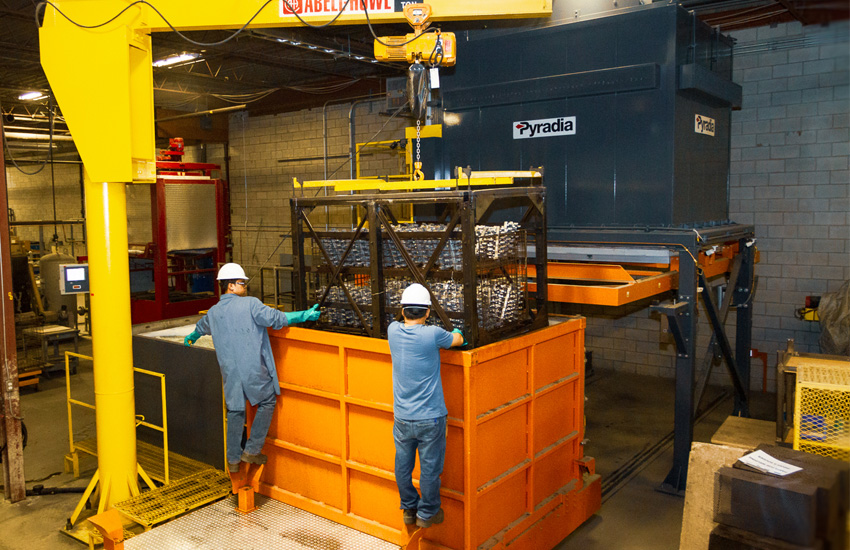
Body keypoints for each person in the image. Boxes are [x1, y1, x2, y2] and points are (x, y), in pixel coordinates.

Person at [184, 263, 321, 473]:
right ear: (230, 286)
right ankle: (252, 450)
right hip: (254, 371)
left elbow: (202, 327)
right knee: (267, 401)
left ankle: (233, 460)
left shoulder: (213, 312)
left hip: (230, 374)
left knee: (235, 411)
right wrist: (304, 315)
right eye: (241, 283)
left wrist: (193, 336)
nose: (245, 286)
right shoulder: (250, 305)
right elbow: (277, 319)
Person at [387, 283, 464, 529]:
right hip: (430, 418)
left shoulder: (392, 330)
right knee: (430, 469)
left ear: (402, 309)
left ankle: (409, 508)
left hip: (402, 418)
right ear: (428, 312)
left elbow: (399, 322)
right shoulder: (433, 334)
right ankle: (427, 513)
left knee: (403, 466)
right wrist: (459, 330)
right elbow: (457, 340)